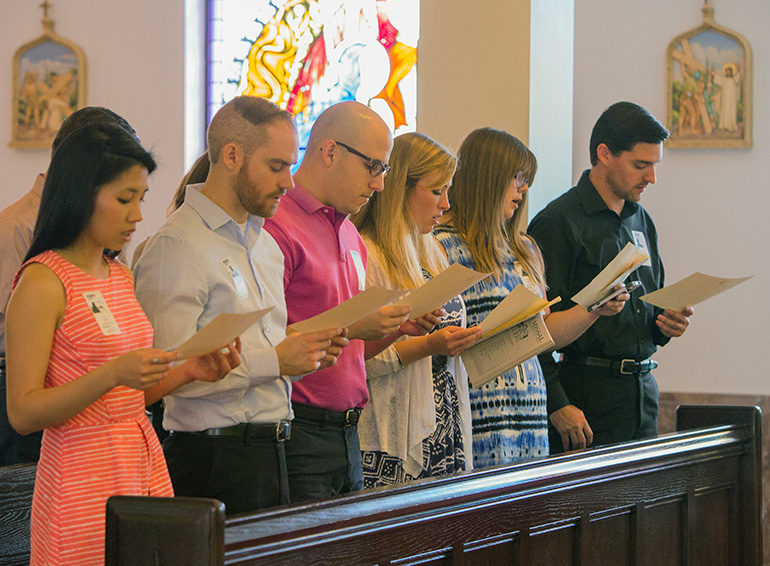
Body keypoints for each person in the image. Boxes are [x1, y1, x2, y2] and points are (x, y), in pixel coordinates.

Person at [6, 123, 240, 566]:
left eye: (142, 199)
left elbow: (124, 401)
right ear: (80, 193)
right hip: (80, 482)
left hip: (140, 466)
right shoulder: (42, 281)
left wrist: (189, 371)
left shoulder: (118, 275)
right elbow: (23, 412)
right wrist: (112, 372)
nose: (137, 215)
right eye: (124, 198)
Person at [133, 96, 347, 514]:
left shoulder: (265, 244)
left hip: (277, 449)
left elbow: (256, 343)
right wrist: (276, 361)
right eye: (276, 166)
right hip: (212, 457)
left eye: (290, 165)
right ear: (232, 155)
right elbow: (163, 376)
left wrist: (303, 349)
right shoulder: (177, 245)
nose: (289, 182)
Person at [264, 101, 435, 502]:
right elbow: (269, 341)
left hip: (348, 430)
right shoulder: (277, 224)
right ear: (329, 152)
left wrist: (396, 328)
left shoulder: (350, 233)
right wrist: (355, 326)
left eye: (384, 170)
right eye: (372, 167)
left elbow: (353, 354)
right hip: (298, 428)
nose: (378, 184)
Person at [435, 127, 626, 469]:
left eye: (526, 180)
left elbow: (544, 333)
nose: (523, 188)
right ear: (487, 178)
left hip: (527, 407)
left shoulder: (524, 249)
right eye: (517, 177)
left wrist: (594, 308)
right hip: (475, 405)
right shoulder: (440, 244)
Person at [528, 101, 694, 454]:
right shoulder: (558, 222)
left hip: (641, 394)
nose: (651, 177)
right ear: (604, 153)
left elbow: (645, 310)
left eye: (654, 165)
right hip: (585, 397)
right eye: (640, 165)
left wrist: (664, 325)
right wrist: (556, 403)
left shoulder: (641, 221)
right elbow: (531, 328)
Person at [0, 106, 140, 466]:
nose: (136, 214)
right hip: (35, 412)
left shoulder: (107, 251)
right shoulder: (15, 229)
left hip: (107, 426)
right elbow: (15, 336)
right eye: (124, 197)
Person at [350, 132, 482, 487]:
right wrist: (428, 345)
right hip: (391, 430)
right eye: (437, 190)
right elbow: (357, 359)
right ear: (400, 189)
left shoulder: (432, 251)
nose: (446, 204)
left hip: (443, 418)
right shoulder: (368, 254)